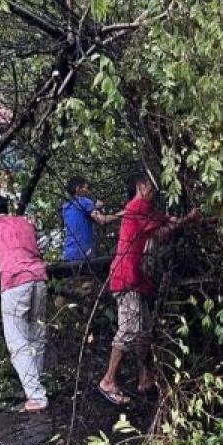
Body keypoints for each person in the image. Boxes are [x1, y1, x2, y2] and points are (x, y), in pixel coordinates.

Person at [98, 172, 199, 406]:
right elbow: (161, 234)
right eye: (152, 187)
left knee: (143, 331)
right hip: (126, 278)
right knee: (130, 329)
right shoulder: (138, 205)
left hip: (136, 278)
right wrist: (187, 221)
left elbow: (165, 220)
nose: (155, 191)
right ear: (141, 185)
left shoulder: (144, 209)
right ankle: (108, 380)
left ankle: (146, 378)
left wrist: (182, 220)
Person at [0, 192, 49, 413]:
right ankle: (36, 383)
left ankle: (36, 395)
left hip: (15, 281)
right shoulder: (24, 222)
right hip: (39, 277)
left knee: (17, 341)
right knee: (37, 334)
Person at [61, 177, 122, 262]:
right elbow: (102, 220)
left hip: (68, 253)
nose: (88, 191)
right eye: (86, 188)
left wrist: (96, 208)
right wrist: (120, 215)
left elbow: (81, 218)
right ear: (78, 189)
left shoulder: (66, 207)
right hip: (83, 253)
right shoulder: (85, 201)